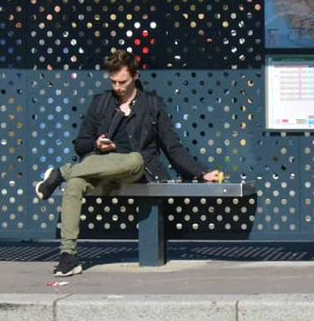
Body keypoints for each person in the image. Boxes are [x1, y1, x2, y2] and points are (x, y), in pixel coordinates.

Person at [34, 49, 221, 276]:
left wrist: (201, 173)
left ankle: (62, 172)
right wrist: (96, 145)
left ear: (135, 76)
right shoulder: (101, 103)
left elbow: (172, 147)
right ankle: (68, 255)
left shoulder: (151, 105)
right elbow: (80, 144)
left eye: (122, 82)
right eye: (113, 82)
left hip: (134, 170)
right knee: (75, 185)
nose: (117, 87)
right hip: (101, 170)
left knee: (135, 158)